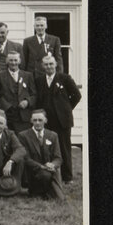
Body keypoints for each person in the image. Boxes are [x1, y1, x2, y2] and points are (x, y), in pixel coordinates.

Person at [34, 55, 81, 183]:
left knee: (64, 148)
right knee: (45, 148)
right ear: (42, 66)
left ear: (55, 64)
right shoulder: (39, 80)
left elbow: (77, 95)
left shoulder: (64, 78)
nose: (49, 67)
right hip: (46, 121)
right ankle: (48, 174)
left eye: (51, 64)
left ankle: (67, 177)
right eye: (46, 64)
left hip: (62, 121)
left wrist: (66, 109)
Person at [19, 110, 65, 200]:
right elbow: (26, 159)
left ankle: (49, 192)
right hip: (33, 172)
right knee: (46, 175)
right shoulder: (23, 135)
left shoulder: (53, 135)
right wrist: (42, 167)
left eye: (40, 120)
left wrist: (53, 164)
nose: (37, 123)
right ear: (31, 121)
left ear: (45, 120)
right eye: (35, 120)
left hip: (50, 169)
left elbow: (58, 157)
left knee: (60, 198)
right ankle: (36, 192)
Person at [0, 51, 36, 132]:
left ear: (19, 61)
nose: (13, 63)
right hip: (7, 115)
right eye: (11, 60)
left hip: (24, 117)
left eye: (15, 60)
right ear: (7, 61)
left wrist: (27, 101)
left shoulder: (28, 76)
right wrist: (7, 106)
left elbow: (34, 95)